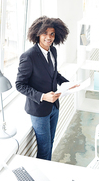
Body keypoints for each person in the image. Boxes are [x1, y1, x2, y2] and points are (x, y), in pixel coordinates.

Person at [15, 16, 78, 160]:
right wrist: (43, 96)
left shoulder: (53, 51)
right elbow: (19, 85)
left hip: (54, 106)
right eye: (45, 33)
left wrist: (68, 84)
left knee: (50, 143)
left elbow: (54, 74)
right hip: (39, 110)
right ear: (37, 34)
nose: (48, 37)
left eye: (52, 34)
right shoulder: (28, 56)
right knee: (44, 149)